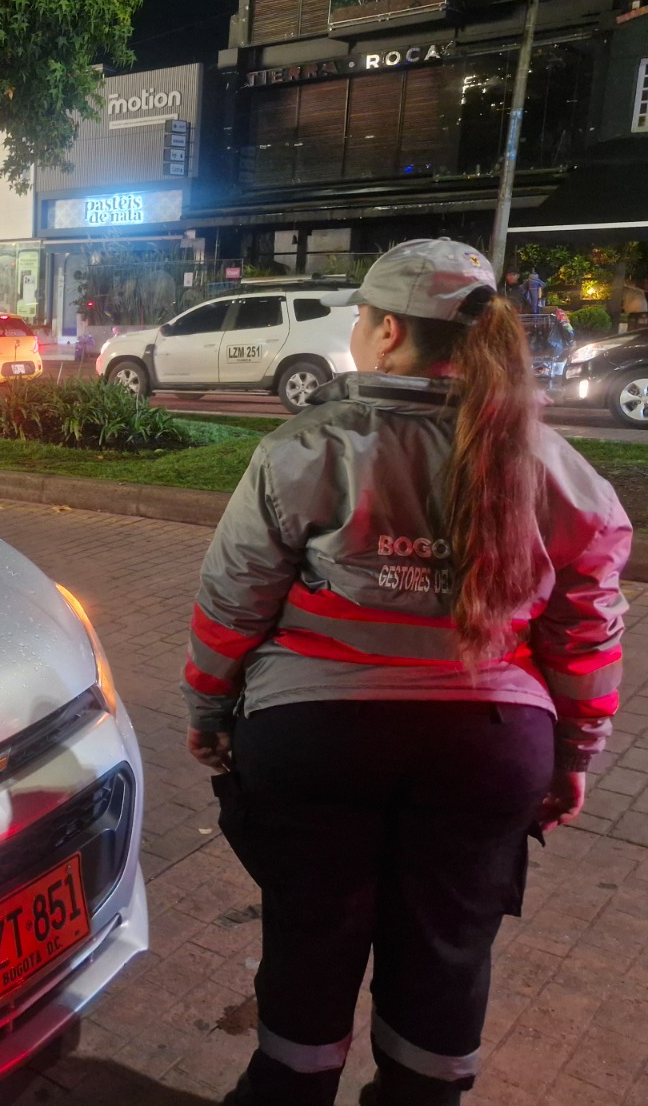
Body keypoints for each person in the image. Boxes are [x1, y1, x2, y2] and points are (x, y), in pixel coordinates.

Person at [182, 239, 631, 1106]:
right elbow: (587, 632)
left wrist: (207, 710)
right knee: (448, 952)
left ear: (388, 331)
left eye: (361, 316)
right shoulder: (558, 469)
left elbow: (232, 602)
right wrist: (575, 753)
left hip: (316, 739)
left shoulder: (307, 449)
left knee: (310, 938)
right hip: (490, 746)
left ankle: (287, 1091)